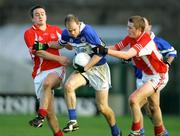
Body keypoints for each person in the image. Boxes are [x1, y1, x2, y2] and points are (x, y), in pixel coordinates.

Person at [92, 15, 169, 136]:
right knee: (153, 107)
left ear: (139, 29)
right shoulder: (131, 37)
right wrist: (100, 49)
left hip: (159, 75)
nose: (128, 30)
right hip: (147, 75)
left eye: (130, 27)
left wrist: (105, 51)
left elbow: (127, 55)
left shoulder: (144, 40)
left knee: (133, 99)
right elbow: (117, 47)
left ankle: (136, 131)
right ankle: (162, 133)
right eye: (128, 27)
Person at [58, 14, 121, 136]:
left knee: (102, 108)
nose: (72, 33)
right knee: (68, 86)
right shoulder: (66, 34)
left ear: (79, 24)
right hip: (84, 69)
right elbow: (62, 44)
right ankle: (73, 121)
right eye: (69, 30)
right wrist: (44, 46)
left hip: (99, 69)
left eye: (74, 30)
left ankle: (115, 131)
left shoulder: (88, 32)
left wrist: (86, 67)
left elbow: (100, 54)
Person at [24, 5, 69, 136]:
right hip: (39, 73)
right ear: (33, 19)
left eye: (42, 13)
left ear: (46, 16)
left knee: (48, 82)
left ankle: (40, 115)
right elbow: (39, 52)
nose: (40, 16)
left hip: (56, 69)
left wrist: (67, 39)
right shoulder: (29, 33)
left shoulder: (56, 30)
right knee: (51, 114)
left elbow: (70, 46)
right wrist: (59, 58)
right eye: (37, 14)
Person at [133, 17, 177, 136]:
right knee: (150, 109)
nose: (141, 27)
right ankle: (161, 131)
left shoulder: (157, 41)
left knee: (136, 102)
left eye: (144, 25)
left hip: (153, 78)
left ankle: (139, 132)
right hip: (140, 77)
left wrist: (167, 63)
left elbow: (172, 52)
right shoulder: (135, 40)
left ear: (150, 27)